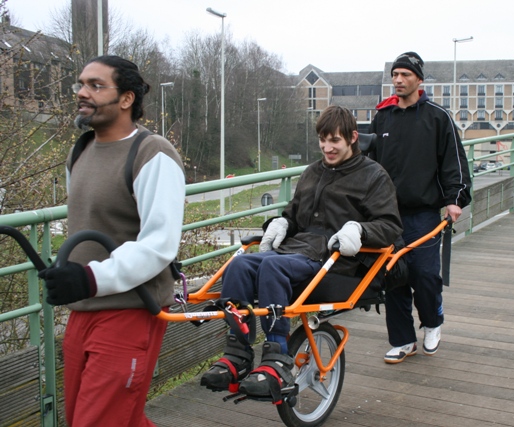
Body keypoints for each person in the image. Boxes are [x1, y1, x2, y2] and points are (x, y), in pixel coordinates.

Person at [200, 105, 403, 399]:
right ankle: (237, 352)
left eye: (335, 141)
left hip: (336, 262)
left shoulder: (373, 176)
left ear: (353, 138)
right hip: (298, 251)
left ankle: (276, 356)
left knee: (272, 268)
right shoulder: (313, 172)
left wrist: (359, 231)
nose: (327, 147)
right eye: (323, 139)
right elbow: (294, 215)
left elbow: (390, 225)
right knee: (239, 266)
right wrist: (281, 222)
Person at [38, 56, 185, 426]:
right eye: (81, 84)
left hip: (130, 311)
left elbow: (158, 245)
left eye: (96, 85)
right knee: (103, 418)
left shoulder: (153, 154)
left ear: (126, 99)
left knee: (98, 421)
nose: (82, 93)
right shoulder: (81, 150)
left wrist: (89, 278)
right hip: (83, 309)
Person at [367, 52, 472, 364]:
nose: (398, 80)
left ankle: (433, 322)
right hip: (387, 215)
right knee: (393, 276)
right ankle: (402, 340)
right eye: (395, 75)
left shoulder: (437, 118)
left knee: (424, 274)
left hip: (424, 212)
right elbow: (369, 165)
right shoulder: (382, 117)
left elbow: (454, 163)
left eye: (405, 75)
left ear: (419, 80)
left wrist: (455, 200)